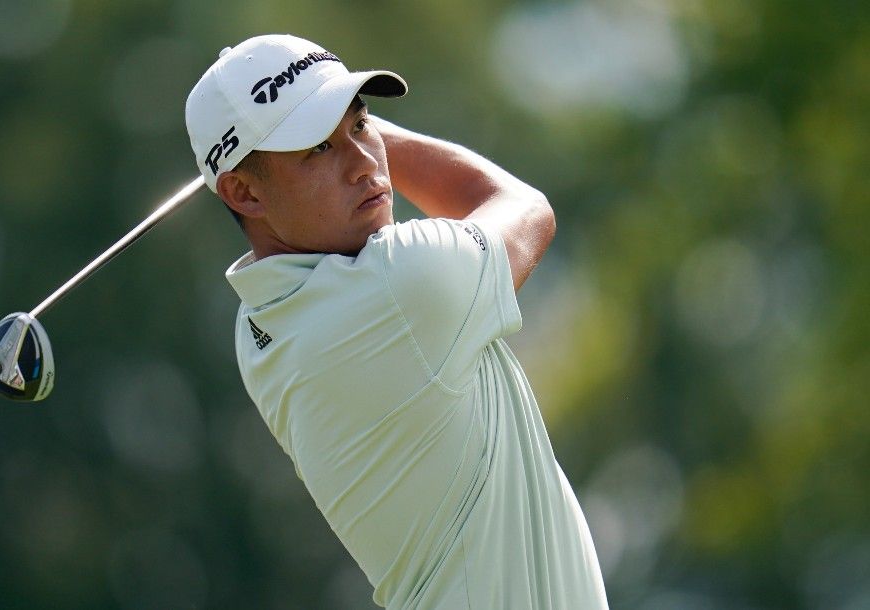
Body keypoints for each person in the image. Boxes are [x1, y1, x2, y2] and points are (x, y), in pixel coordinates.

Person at [185, 34, 608, 609]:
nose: (364, 163)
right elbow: (523, 206)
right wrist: (362, 121)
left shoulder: (257, 323)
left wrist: (328, 122)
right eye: (316, 149)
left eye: (362, 126)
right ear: (241, 191)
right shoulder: (398, 285)